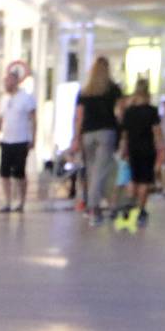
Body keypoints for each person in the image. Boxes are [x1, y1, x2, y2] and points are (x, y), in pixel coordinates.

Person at [71, 55, 120, 219]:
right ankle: (94, 206)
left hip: (88, 133)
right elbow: (120, 113)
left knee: (92, 171)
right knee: (101, 170)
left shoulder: (85, 91)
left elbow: (79, 117)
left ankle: (96, 203)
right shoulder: (113, 89)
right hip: (107, 132)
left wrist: (76, 137)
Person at [0, 61, 36, 212]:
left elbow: (33, 118)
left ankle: (21, 201)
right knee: (4, 172)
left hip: (21, 139)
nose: (6, 83)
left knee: (19, 172)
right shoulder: (4, 99)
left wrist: (33, 138)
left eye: (9, 80)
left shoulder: (26, 97)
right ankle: (7, 200)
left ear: (16, 81)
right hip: (7, 139)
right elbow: (1, 118)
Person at [119, 78, 160, 225]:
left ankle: (129, 203)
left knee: (132, 178)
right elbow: (156, 132)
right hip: (148, 149)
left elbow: (124, 134)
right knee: (144, 180)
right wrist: (161, 149)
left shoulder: (129, 112)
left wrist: (123, 150)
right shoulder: (152, 111)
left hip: (132, 149)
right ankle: (141, 210)